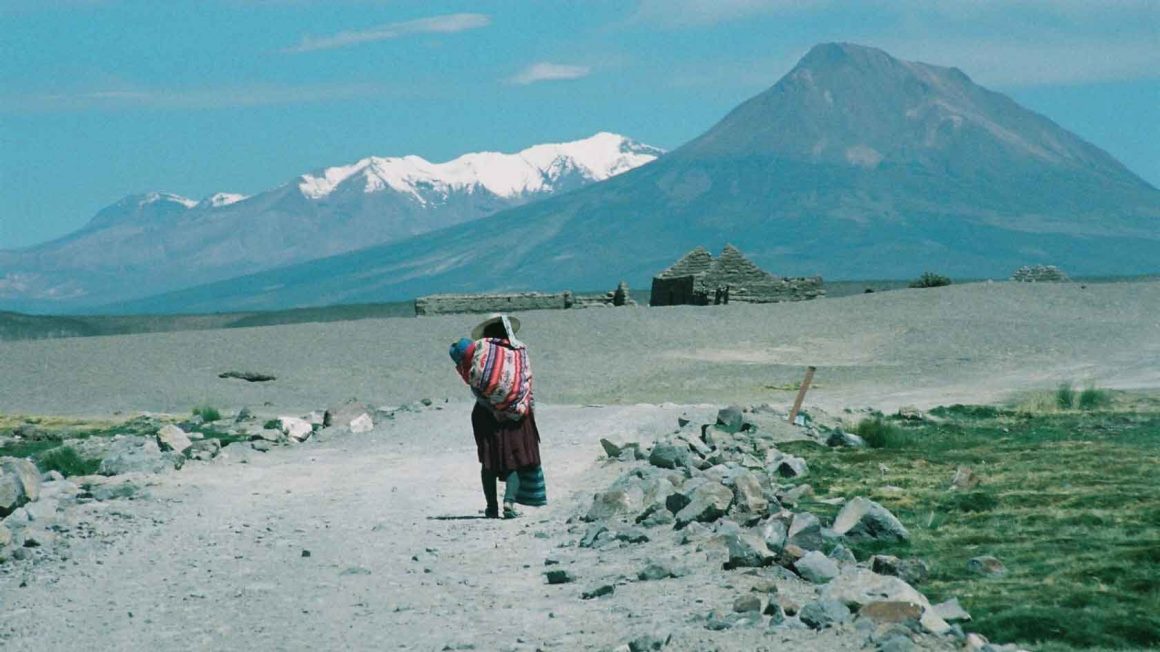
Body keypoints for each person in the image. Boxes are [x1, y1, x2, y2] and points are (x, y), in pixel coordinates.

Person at [449, 314, 546, 519]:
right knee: (514, 457)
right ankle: (509, 502)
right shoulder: (520, 351)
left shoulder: (480, 351)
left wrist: (493, 406)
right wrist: (522, 409)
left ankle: (491, 507)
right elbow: (526, 382)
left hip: (485, 414)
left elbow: (475, 383)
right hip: (517, 415)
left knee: (489, 460)